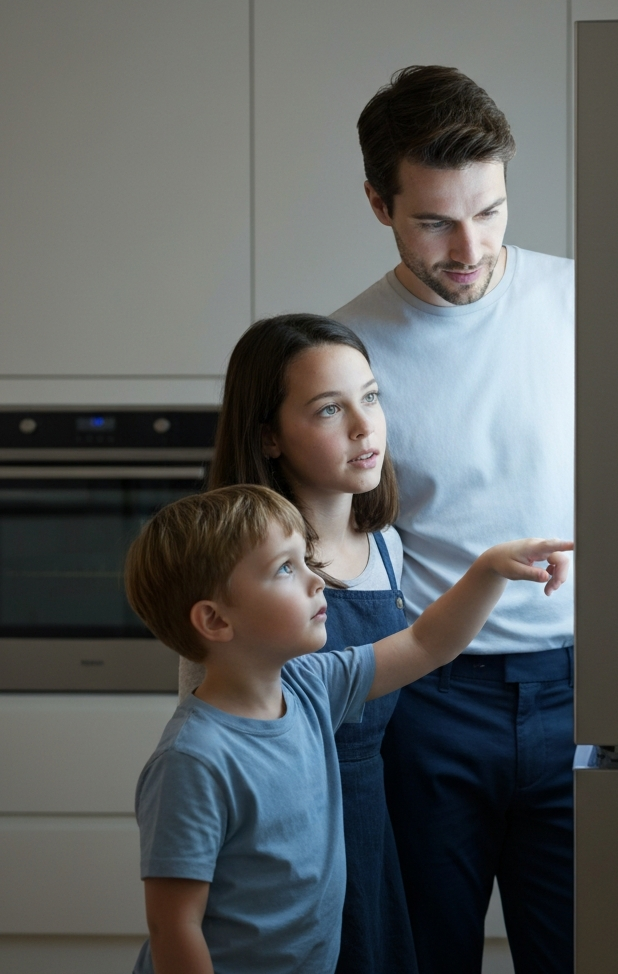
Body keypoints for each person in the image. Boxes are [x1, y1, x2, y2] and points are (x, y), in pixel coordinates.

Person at [333, 65, 575, 973]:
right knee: (426, 956)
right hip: (430, 697)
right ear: (378, 204)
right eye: (435, 220)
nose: (468, 246)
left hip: (591, 691)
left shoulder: (597, 302)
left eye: (490, 211)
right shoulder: (346, 350)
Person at [127, 483, 571, 974]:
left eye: (306, 559)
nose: (316, 581)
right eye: (284, 569)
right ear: (214, 620)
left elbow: (425, 644)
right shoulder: (193, 760)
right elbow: (174, 927)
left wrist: (489, 569)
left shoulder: (309, 686)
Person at [177, 313, 418, 973]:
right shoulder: (241, 569)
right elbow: (211, 721)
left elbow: (425, 650)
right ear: (269, 437)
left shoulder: (389, 549)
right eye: (328, 410)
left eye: (370, 398)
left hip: (370, 825)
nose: (365, 427)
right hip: (281, 836)